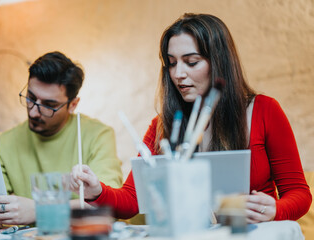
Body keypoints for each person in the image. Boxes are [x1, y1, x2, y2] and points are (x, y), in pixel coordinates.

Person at [70, 13, 312, 223]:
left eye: (191, 62)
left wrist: (275, 209)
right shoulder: (161, 126)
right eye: (171, 63)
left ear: (219, 62)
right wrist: (97, 190)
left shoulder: (265, 110)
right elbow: (132, 201)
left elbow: (299, 194)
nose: (178, 74)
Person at [0, 51, 123, 225]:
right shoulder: (1, 143)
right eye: (30, 98)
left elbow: (107, 207)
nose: (33, 112)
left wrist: (37, 210)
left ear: (73, 105)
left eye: (49, 106)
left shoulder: (98, 136)